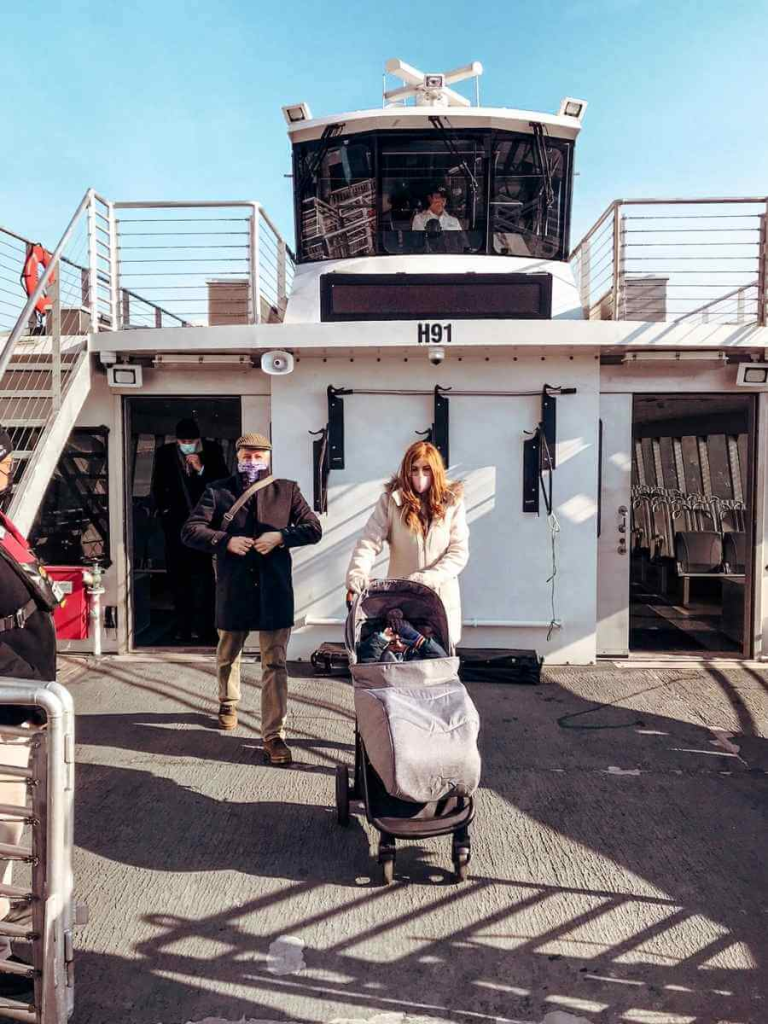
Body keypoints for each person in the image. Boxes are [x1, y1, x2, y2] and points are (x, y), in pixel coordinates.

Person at [181, 433, 321, 764]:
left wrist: (281, 537)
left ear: (269, 458)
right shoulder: (217, 490)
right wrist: (223, 540)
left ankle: (274, 735)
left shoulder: (286, 490)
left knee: (275, 662)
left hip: (274, 590)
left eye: (259, 455)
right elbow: (190, 530)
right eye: (247, 454)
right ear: (237, 455)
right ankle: (228, 702)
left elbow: (313, 529)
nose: (252, 460)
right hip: (234, 588)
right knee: (229, 651)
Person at [0, 425, 60, 1003]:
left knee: (13, 827)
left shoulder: (5, 530)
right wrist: (20, 681)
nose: (8, 474)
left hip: (22, 704)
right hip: (7, 704)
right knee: (1, 831)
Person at [346, 441, 469, 646]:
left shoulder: (452, 502)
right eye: (414, 469)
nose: (420, 476)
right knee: (402, 661)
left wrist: (427, 578)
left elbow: (458, 552)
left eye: (426, 469)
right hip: (402, 599)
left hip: (440, 598)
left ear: (436, 471)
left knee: (439, 659)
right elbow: (369, 541)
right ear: (406, 471)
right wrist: (357, 574)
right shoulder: (391, 501)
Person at [151, 418, 228, 643]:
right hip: (175, 526)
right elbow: (158, 485)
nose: (187, 445)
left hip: (204, 526)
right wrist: (163, 512)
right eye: (183, 441)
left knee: (204, 578)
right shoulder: (165, 453)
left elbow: (222, 484)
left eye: (191, 441)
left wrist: (200, 469)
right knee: (178, 578)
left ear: (199, 439)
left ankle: (206, 627)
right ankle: (182, 627)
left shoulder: (213, 452)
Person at [358, 608, 448, 663]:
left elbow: (443, 662)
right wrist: (381, 639)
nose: (398, 645)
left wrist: (419, 640)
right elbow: (368, 662)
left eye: (402, 641)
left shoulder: (416, 652)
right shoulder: (380, 655)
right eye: (392, 642)